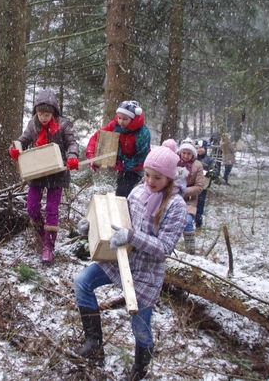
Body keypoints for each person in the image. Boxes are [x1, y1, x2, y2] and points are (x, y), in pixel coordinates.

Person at [73, 139, 186, 381]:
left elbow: (165, 246)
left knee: (140, 326)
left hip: (146, 272)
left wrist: (133, 237)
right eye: (147, 174)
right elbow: (117, 220)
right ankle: (94, 342)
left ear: (169, 179)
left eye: (157, 178)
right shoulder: (136, 191)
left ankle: (140, 370)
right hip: (119, 259)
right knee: (82, 281)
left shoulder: (176, 206)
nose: (150, 181)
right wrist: (90, 227)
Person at [9, 89, 79, 264]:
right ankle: (41, 234)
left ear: (54, 112)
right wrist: (15, 149)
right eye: (40, 114)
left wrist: (72, 156)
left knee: (51, 209)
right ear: (36, 112)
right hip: (37, 170)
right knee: (32, 207)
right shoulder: (32, 125)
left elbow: (72, 143)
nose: (44, 118)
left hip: (57, 171)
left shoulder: (62, 125)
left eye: (47, 114)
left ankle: (49, 246)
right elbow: (23, 140)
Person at [85, 100, 151, 197]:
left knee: (123, 192)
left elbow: (142, 154)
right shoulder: (115, 125)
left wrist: (124, 165)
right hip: (122, 167)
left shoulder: (143, 133)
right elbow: (97, 137)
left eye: (125, 119)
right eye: (119, 118)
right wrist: (91, 155)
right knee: (120, 192)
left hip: (137, 167)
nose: (121, 121)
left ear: (133, 118)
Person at [177, 138, 204, 255]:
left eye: (189, 153)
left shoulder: (197, 165)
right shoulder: (174, 162)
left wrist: (183, 191)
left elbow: (199, 186)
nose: (186, 156)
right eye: (184, 153)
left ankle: (190, 249)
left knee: (187, 221)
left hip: (189, 200)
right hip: (172, 198)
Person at [195, 140, 218, 232]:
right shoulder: (192, 158)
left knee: (199, 206)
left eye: (201, 148)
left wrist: (209, 174)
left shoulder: (210, 160)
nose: (199, 150)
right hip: (190, 186)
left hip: (202, 188)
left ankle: (198, 225)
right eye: (197, 148)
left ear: (205, 148)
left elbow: (215, 173)